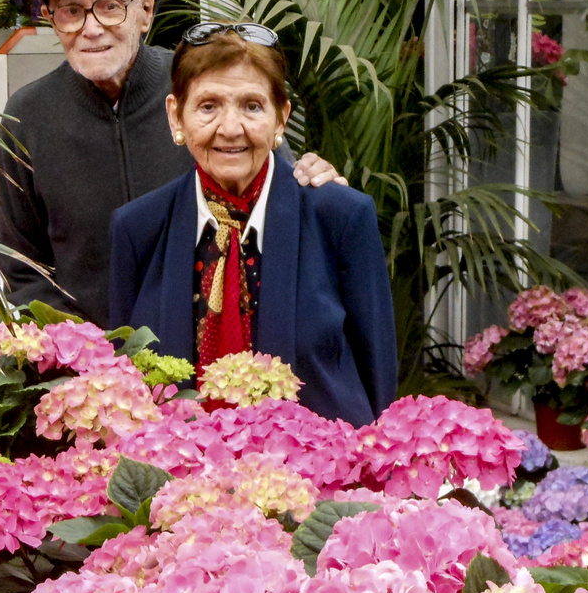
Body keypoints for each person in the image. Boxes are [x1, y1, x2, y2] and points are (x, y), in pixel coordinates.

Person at [0, 0, 344, 327]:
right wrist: (85, 352)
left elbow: (276, 191)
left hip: (215, 351)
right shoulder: (27, 115)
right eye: (71, 11)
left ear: (146, 10)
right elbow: (23, 270)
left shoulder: (199, 89)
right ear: (51, 21)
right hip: (90, 372)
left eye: (110, 7)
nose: (90, 29)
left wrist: (313, 179)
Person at [109, 23, 397, 427]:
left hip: (320, 479)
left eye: (252, 106)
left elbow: (379, 384)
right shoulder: (138, 229)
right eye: (208, 106)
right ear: (176, 115)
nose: (230, 129)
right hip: (182, 483)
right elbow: (128, 393)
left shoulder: (341, 217)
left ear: (281, 118)